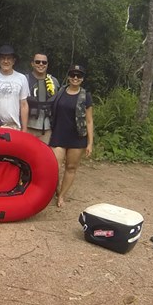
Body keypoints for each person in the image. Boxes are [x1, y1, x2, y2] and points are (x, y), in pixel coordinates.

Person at [49, 64, 94, 208]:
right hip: (59, 135)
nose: (75, 78)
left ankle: (61, 195)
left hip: (77, 137)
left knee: (71, 167)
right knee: (53, 166)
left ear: (82, 79)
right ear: (68, 76)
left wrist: (90, 143)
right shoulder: (60, 92)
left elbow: (89, 120)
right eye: (73, 75)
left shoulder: (86, 96)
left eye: (79, 75)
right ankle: (55, 189)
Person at [0, 44, 29, 131]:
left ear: (14, 61)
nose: (6, 61)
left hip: (14, 126)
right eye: (3, 58)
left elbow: (24, 104)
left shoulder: (21, 78)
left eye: (9, 58)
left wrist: (24, 129)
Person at [27, 50, 62, 143]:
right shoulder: (24, 80)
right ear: (32, 64)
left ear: (47, 64)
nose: (41, 64)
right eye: (37, 62)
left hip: (47, 128)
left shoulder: (54, 82)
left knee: (43, 156)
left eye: (44, 62)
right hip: (27, 127)